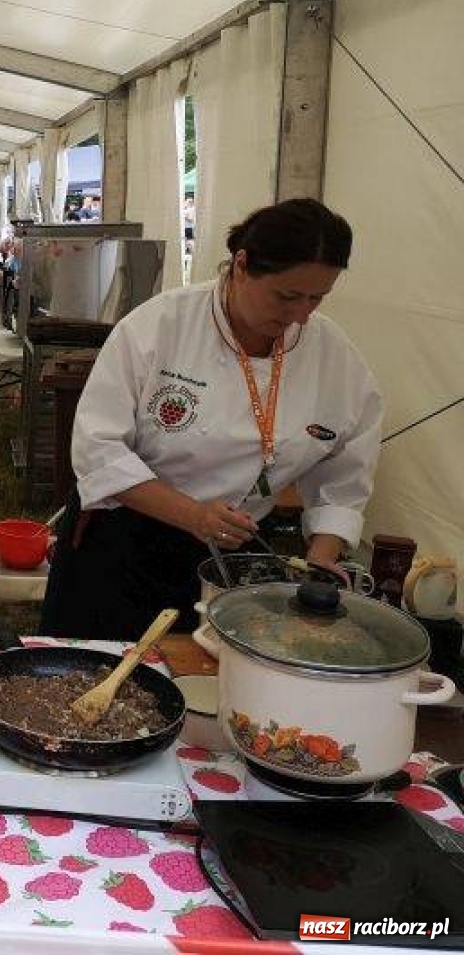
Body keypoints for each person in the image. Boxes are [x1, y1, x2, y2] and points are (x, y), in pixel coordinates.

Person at [40, 199, 383, 642]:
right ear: (241, 265)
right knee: (90, 677)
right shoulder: (160, 326)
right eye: (287, 295)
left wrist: (321, 556)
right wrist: (194, 515)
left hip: (233, 556)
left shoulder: (333, 354)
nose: (301, 314)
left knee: (204, 680)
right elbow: (97, 448)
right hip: (124, 543)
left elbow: (348, 464)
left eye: (317, 298)